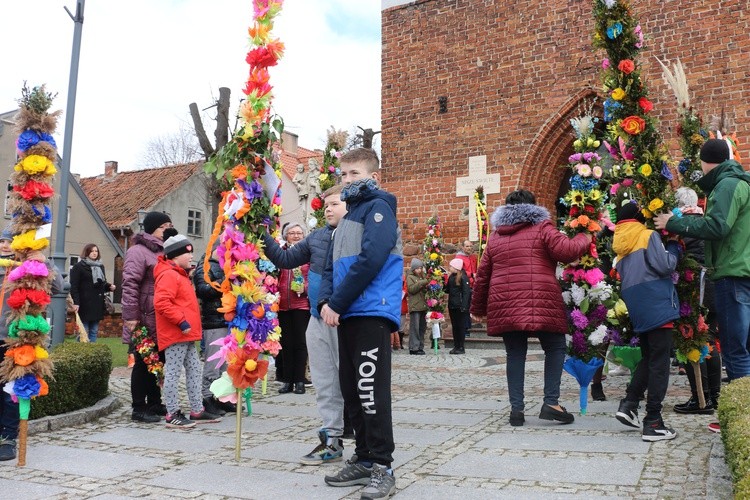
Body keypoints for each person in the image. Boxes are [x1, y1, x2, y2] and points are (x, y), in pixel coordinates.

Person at [319, 148, 401, 499]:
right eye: (345, 175)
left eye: (355, 174)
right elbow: (332, 266)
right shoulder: (349, 215)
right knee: (351, 390)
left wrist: (338, 301)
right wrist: (327, 301)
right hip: (348, 312)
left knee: (370, 391)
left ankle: (383, 465)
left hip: (370, 311)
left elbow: (371, 260)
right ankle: (364, 458)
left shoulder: (378, 208)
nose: (348, 180)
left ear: (373, 177)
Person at [470, 189, 590, 427]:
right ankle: (551, 402)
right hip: (542, 299)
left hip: (505, 301)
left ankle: (516, 410)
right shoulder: (543, 227)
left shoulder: (495, 236)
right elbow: (567, 251)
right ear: (533, 207)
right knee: (555, 347)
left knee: (515, 353)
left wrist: (478, 307)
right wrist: (584, 237)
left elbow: (483, 275)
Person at [263, 184, 350, 464]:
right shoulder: (317, 238)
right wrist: (262, 235)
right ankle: (331, 438)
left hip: (345, 319)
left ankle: (363, 438)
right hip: (316, 317)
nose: (328, 208)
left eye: (335, 203)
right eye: (325, 204)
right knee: (325, 380)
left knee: (349, 378)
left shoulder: (357, 235)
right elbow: (285, 259)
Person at [655, 138, 750, 383]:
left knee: (735, 350)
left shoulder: (727, 185)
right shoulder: (742, 183)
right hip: (742, 270)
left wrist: (673, 222)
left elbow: (718, 227)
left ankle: (741, 415)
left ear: (705, 162)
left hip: (733, 273)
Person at [613, 201, 680, 441]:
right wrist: (673, 246)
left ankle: (629, 404)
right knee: (660, 363)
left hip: (638, 305)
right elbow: (665, 266)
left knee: (650, 356)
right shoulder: (647, 235)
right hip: (656, 300)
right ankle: (653, 422)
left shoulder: (620, 244)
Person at [155, 230, 222, 428]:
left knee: (194, 370)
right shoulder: (168, 275)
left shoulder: (181, 275)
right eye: (188, 253)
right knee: (173, 374)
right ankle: (172, 412)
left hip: (186, 334)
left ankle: (196, 409)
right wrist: (182, 321)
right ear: (175, 255)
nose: (192, 256)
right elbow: (162, 303)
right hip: (176, 333)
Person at [670, 187, 722, 417]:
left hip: (692, 288)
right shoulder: (708, 221)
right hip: (713, 285)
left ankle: (700, 399)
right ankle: (715, 397)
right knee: (709, 338)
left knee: (691, 340)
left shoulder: (680, 225)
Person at [122, 211, 173, 423]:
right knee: (143, 362)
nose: (167, 230)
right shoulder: (138, 251)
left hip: (160, 317)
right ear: (152, 228)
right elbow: (130, 284)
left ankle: (154, 401)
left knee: (158, 360)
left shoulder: (165, 251)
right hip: (143, 317)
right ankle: (138, 407)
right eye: (164, 227)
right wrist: (131, 316)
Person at [194, 241, 236, 416]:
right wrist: (224, 282)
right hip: (213, 320)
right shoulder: (203, 267)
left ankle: (222, 397)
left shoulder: (228, 265)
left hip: (229, 320)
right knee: (213, 363)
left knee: (226, 364)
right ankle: (207, 397)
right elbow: (202, 290)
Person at [276, 222, 311, 395]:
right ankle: (287, 380)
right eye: (292, 233)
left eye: (299, 233)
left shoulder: (308, 254)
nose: (296, 236)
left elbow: (315, 276)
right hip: (282, 305)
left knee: (300, 343)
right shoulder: (281, 253)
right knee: (286, 344)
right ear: (286, 235)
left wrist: (305, 287)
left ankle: (299, 380)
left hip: (302, 305)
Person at [69, 243, 116, 342]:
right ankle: (82, 353)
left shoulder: (100, 266)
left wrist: (109, 287)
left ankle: (92, 352)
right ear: (87, 252)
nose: (94, 253)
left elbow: (101, 284)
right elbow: (74, 286)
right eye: (92, 251)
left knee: (94, 330)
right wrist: (76, 302)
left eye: (96, 251)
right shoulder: (79, 267)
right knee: (83, 330)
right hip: (84, 303)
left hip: (97, 303)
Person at [0, 229, 18, 460]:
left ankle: (9, 437)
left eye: (9, 242)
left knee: (11, 391)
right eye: (1, 241)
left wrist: (40, 260)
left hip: (13, 341)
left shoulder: (24, 272)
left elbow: (57, 287)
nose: (5, 245)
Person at [446, 258, 470, 354]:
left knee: (460, 327)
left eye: (451, 266)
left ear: (456, 267)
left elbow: (466, 292)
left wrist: (464, 306)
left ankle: (461, 346)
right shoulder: (451, 277)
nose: (449, 268)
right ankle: (456, 345)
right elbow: (447, 290)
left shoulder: (463, 277)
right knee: (455, 327)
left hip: (460, 306)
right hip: (452, 305)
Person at [454, 240, 478, 335]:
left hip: (472, 284)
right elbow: (459, 271)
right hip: (464, 285)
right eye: (467, 246)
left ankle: (468, 326)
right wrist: (471, 274)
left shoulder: (473, 258)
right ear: (463, 247)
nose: (469, 248)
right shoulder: (459, 258)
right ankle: (465, 328)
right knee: (465, 307)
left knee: (470, 307)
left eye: (470, 246)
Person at [406, 258, 429, 355]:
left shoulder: (422, 277)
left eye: (421, 268)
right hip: (415, 307)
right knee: (415, 328)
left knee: (422, 328)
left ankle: (420, 346)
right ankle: (413, 347)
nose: (420, 270)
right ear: (414, 269)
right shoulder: (410, 277)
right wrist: (423, 282)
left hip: (423, 306)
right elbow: (412, 289)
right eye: (418, 268)